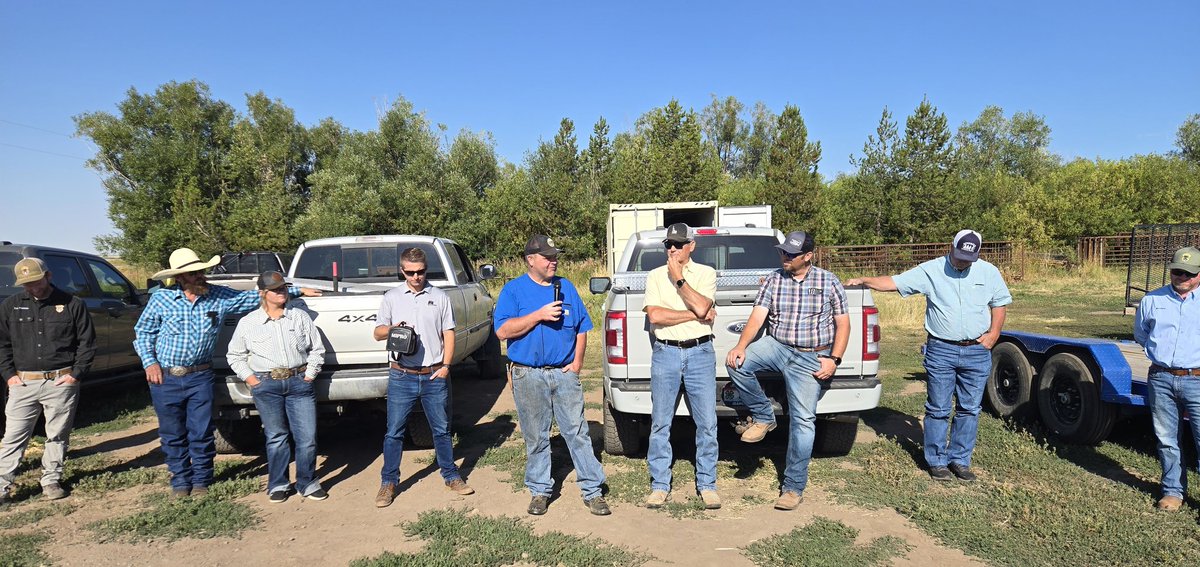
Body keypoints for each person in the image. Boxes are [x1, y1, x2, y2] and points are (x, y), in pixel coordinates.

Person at [134, 247, 320, 497]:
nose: (200, 276)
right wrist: (149, 362)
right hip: (165, 376)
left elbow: (256, 297)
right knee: (172, 432)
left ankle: (201, 480)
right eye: (193, 274)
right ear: (179, 278)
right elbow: (144, 332)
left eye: (201, 271)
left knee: (201, 430)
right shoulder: (160, 300)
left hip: (200, 375)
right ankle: (180, 481)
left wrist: (295, 291)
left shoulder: (218, 296)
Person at [846, 229, 1011, 482]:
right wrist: (864, 280)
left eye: (969, 258)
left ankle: (960, 460)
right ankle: (936, 461)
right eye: (959, 256)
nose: (962, 262)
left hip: (977, 350)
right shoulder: (931, 270)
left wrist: (994, 334)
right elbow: (894, 282)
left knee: (970, 408)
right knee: (938, 408)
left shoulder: (988, 272)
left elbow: (999, 303)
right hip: (941, 349)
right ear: (951, 247)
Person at [725, 230, 849, 511]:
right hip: (777, 345)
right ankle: (763, 416)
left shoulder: (829, 282)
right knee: (737, 363)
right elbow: (758, 316)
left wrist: (835, 359)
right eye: (782, 252)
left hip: (811, 356)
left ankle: (793, 488)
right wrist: (741, 345)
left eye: (790, 254)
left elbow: (843, 323)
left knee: (804, 422)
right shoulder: (773, 279)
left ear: (808, 256)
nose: (784, 257)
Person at [494, 234, 610, 516]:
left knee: (578, 433)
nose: (554, 261)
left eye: (555, 256)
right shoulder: (513, 291)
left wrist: (578, 363)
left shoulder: (566, 287)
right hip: (528, 375)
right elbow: (502, 331)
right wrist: (538, 315)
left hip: (564, 374)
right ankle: (539, 490)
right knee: (536, 436)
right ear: (530, 260)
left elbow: (583, 326)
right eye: (547, 257)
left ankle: (592, 490)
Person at [372, 247, 475, 508]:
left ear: (426, 270)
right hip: (401, 375)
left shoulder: (439, 297)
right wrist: (394, 329)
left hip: (433, 374)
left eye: (420, 272)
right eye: (410, 272)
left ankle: (451, 476)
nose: (416, 277)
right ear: (402, 270)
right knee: (394, 432)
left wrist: (446, 366)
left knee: (441, 430)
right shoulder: (392, 297)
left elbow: (448, 333)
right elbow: (377, 332)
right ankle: (388, 483)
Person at [225, 271, 327, 504]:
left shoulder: (299, 317)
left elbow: (317, 349)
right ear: (262, 293)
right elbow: (235, 355)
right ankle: (278, 484)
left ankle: (307, 482)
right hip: (266, 384)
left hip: (299, 382)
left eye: (283, 288)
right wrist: (252, 380)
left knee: (307, 437)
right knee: (276, 436)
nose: (281, 292)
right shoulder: (248, 322)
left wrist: (309, 376)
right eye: (276, 289)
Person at [0, 258, 96, 503]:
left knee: (57, 434)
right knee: (13, 436)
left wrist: (75, 374)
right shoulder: (10, 306)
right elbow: (2, 345)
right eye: (26, 284)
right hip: (22, 383)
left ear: (48, 276)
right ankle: (2, 485)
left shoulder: (72, 304)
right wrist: (9, 376)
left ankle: (51, 480)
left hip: (60, 381)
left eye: (35, 281)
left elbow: (86, 343)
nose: (32, 287)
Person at [642, 223, 720, 510]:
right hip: (666, 353)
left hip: (700, 352)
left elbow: (704, 307)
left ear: (691, 246)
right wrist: (694, 315)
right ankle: (660, 484)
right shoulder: (653, 276)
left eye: (678, 244)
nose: (672, 249)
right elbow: (656, 316)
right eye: (668, 244)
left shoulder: (706, 274)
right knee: (661, 422)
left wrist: (678, 280)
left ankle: (707, 484)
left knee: (707, 422)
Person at [1134, 246, 1200, 511]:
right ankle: (1173, 491)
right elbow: (1142, 334)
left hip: (1197, 378)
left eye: (1188, 273)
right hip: (1160, 377)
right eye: (1177, 271)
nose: (1182, 277)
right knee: (1166, 439)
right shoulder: (1152, 300)